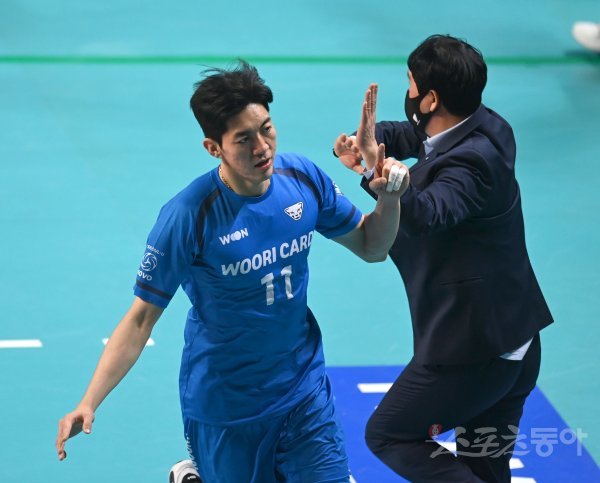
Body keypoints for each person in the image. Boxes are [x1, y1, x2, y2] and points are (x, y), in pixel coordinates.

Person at [55, 61, 410, 483]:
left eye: (267, 129)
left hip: (302, 390)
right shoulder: (189, 216)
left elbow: (372, 247)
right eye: (244, 138)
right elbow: (139, 320)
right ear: (213, 148)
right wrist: (89, 401)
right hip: (226, 408)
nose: (262, 147)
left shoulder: (302, 178)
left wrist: (389, 198)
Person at [333, 34, 553, 482]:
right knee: (483, 466)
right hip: (515, 338)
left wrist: (377, 171)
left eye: (411, 84)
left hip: (473, 354)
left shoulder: (473, 164)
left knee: (390, 434)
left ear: (431, 99)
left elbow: (430, 213)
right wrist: (369, 141)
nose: (408, 92)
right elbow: (419, 136)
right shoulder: (486, 125)